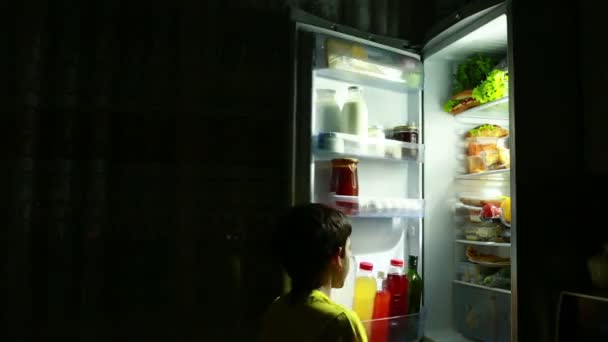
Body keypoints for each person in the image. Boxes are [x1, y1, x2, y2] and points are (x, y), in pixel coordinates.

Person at [259, 203, 367, 342]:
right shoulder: (341, 320)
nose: (350, 256)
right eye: (349, 249)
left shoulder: (276, 309)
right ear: (337, 256)